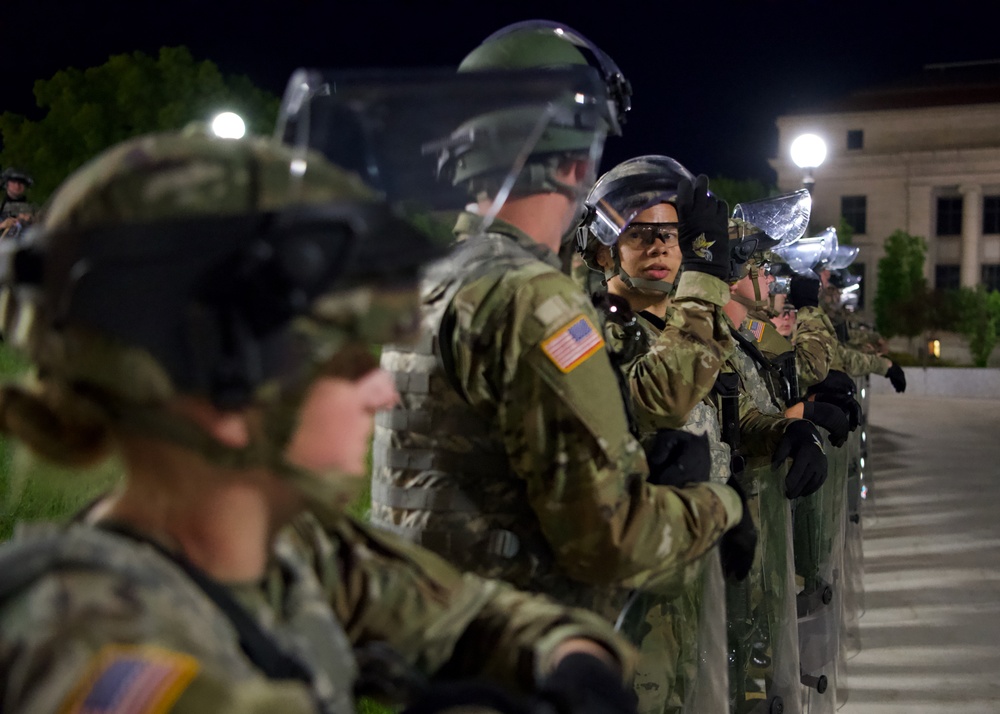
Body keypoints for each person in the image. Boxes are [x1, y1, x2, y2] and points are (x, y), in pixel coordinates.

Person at [0, 129, 642, 714]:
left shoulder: (290, 546)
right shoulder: (86, 649)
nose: (380, 391)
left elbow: (473, 616)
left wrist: (576, 663)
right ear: (226, 387)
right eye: (346, 358)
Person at [370, 21, 743, 623]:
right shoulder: (533, 299)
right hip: (520, 651)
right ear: (574, 162)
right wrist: (720, 505)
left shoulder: (433, 278)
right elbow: (609, 542)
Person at [576, 156, 755, 714]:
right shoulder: (588, 330)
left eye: (674, 235)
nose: (660, 248)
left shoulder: (689, 328)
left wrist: (792, 439)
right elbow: (663, 399)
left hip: (696, 567)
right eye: (642, 235)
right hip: (630, 589)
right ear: (605, 249)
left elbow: (733, 418)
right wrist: (705, 280)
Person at [0, 167, 37, 237]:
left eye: (21, 182)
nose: (17, 185)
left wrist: (32, 220)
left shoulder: (33, 208)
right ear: (7, 183)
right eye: (13, 181)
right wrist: (2, 225)